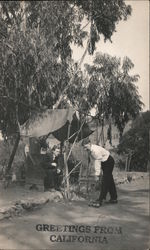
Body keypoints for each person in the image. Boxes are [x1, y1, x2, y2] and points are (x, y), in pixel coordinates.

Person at [82, 138, 118, 207]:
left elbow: (97, 162)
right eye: (84, 147)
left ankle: (100, 200)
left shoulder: (95, 150)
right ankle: (114, 198)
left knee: (105, 180)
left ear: (89, 143)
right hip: (104, 162)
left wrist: (97, 175)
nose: (85, 149)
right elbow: (93, 161)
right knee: (109, 180)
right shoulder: (90, 150)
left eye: (86, 147)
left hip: (108, 161)